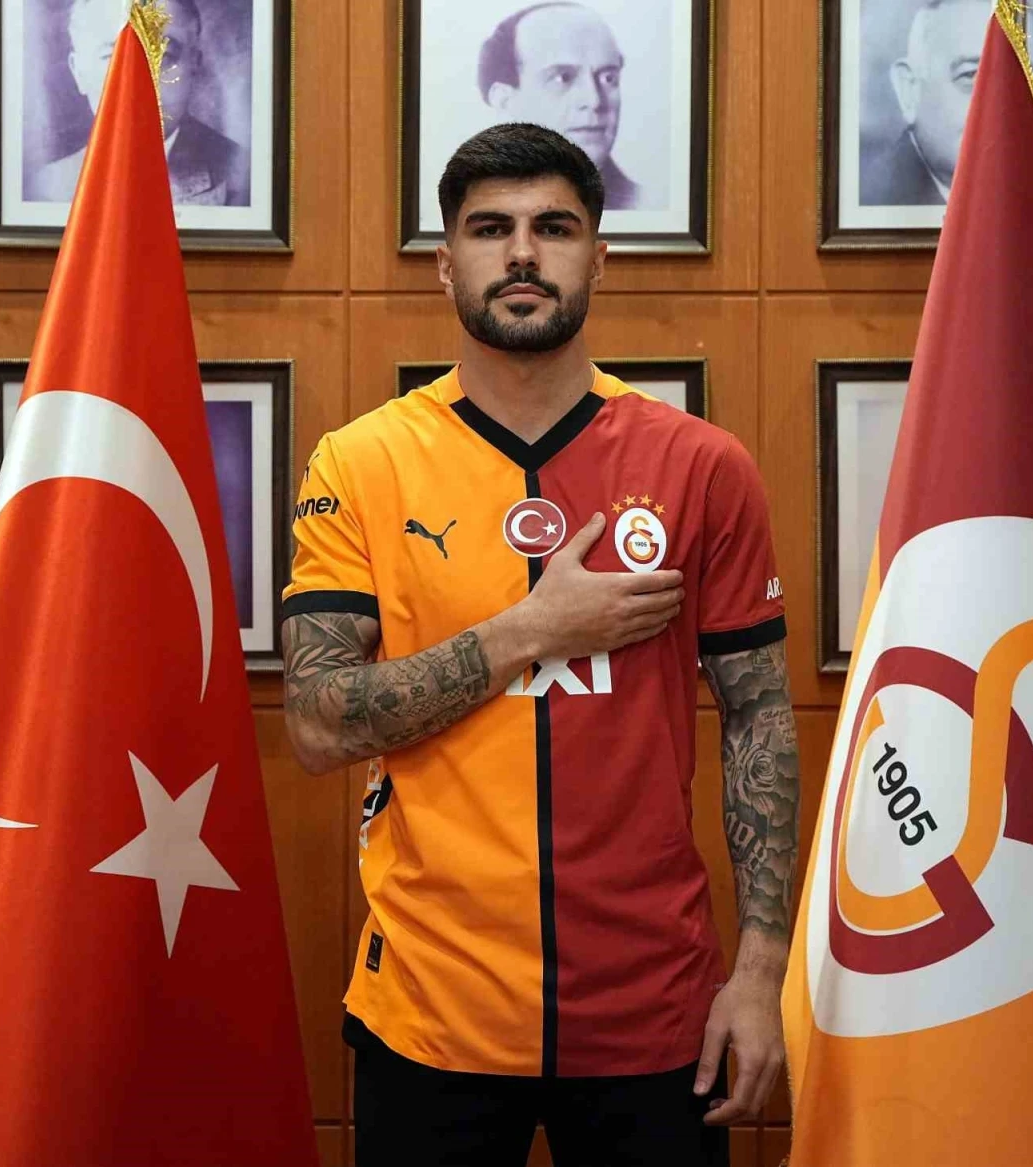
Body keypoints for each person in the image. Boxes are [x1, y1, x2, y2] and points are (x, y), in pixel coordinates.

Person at [281, 123, 798, 1167]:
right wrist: (533, 628)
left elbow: (758, 717)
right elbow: (318, 722)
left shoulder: (702, 465)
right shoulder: (362, 462)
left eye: (553, 228)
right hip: (430, 1009)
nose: (522, 253)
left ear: (597, 257)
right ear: (446, 264)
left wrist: (759, 973)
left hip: (654, 1008)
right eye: (490, 229)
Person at [28, 0, 250, 206]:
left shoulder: (247, 181)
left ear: (194, 64)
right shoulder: (46, 189)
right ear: (79, 73)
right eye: (113, 57)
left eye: (164, 56)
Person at [862, 0, 1033, 205]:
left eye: (1025, 82)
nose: (1005, 110)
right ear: (909, 91)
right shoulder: (871, 202)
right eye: (972, 75)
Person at [478, 3, 644, 210]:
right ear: (505, 102)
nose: (594, 101)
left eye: (608, 78)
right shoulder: (472, 204)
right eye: (563, 77)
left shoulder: (645, 207)